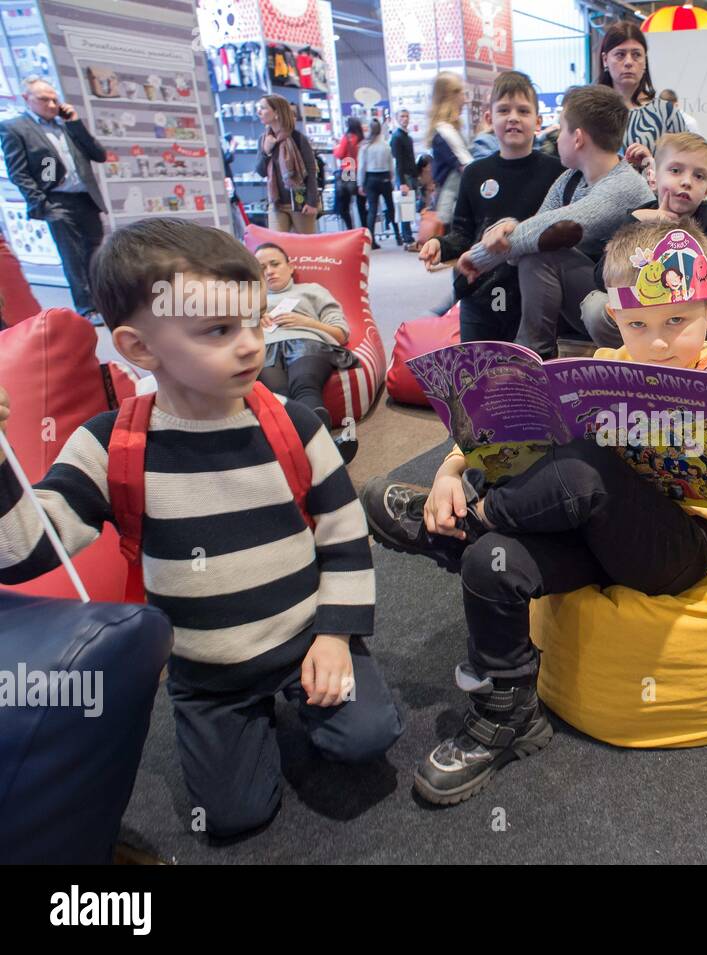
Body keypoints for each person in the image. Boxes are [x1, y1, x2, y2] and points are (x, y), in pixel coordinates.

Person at [359, 218, 707, 804]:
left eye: (678, 320)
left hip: (680, 549)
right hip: (592, 536)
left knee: (581, 468)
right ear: (614, 317)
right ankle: (508, 713)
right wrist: (449, 470)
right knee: (494, 563)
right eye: (639, 324)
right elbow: (508, 437)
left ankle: (459, 528)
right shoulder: (605, 365)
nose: (661, 341)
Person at [0, 219, 403, 839]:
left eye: (253, 320)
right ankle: (241, 725)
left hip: (306, 640)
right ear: (138, 348)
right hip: (207, 675)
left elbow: (345, 539)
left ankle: (312, 688)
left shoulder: (295, 425)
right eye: (217, 330)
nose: (248, 345)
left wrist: (336, 637)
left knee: (368, 735)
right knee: (232, 816)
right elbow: (24, 548)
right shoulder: (111, 445)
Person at [460, 84, 654, 359]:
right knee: (537, 252)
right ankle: (533, 355)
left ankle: (531, 358)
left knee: (542, 255)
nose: (556, 136)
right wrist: (511, 226)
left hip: (635, 311)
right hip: (595, 296)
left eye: (560, 128)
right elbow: (533, 233)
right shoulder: (570, 179)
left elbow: (546, 232)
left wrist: (479, 258)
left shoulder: (623, 186)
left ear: (577, 138)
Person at [419, 70, 563, 342]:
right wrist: (441, 244)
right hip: (478, 294)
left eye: (523, 111)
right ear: (489, 118)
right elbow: (462, 233)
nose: (513, 118)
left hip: (533, 298)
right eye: (504, 110)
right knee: (477, 374)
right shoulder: (474, 173)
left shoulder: (556, 171)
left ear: (538, 120)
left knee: (529, 375)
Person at [584, 131, 707, 347]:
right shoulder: (640, 215)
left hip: (696, 313)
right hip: (644, 312)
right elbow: (602, 278)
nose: (686, 182)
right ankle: (633, 362)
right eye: (675, 170)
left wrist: (673, 229)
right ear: (654, 178)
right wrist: (635, 222)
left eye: (698, 176)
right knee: (595, 306)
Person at [0, 77, 107, 318]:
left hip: (84, 198)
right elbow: (20, 172)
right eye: (44, 99)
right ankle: (87, 308)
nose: (51, 104)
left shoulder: (66, 126)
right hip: (56, 200)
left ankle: (103, 302)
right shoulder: (16, 128)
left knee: (95, 252)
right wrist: (42, 201)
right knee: (73, 255)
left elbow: (98, 155)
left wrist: (75, 123)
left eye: (54, 99)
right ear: (27, 99)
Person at [254, 241, 359, 462]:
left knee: (304, 383)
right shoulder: (249, 301)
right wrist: (253, 321)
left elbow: (341, 333)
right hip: (265, 348)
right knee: (279, 396)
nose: (269, 271)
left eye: (275, 264)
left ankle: (310, 452)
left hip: (307, 342)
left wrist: (307, 322)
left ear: (290, 267)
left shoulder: (312, 290)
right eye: (261, 267)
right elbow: (230, 338)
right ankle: (326, 449)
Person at [597, 20, 686, 169]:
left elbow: (686, 164)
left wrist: (651, 164)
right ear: (605, 59)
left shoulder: (666, 113)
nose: (629, 62)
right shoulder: (590, 113)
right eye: (620, 54)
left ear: (645, 60)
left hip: (654, 192)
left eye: (636, 54)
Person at [255, 94, 318, 234]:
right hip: (276, 203)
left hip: (300, 202)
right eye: (258, 108)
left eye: (263, 108)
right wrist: (266, 152)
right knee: (277, 246)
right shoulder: (263, 140)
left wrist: (312, 201)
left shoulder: (297, 138)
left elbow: (311, 171)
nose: (259, 112)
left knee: (306, 248)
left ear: (277, 112)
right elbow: (260, 171)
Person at [428, 71, 473, 228]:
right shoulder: (446, 132)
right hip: (450, 205)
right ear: (450, 96)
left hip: (450, 201)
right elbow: (468, 167)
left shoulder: (445, 131)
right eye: (461, 92)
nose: (465, 100)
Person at [357, 119, 396, 249]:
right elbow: (391, 165)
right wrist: (392, 178)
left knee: (372, 210)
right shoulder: (386, 145)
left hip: (370, 178)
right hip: (384, 177)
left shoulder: (365, 146)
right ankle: (398, 236)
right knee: (390, 207)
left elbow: (362, 166)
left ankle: (371, 241)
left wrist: (360, 183)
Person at [390, 108, 418, 249]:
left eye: (407, 116)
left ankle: (408, 236)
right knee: (405, 207)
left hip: (410, 174)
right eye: (402, 116)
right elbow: (398, 162)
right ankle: (407, 238)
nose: (405, 119)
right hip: (404, 176)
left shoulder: (407, 136)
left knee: (409, 205)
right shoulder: (397, 137)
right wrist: (401, 182)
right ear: (397, 118)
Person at [332, 116, 366, 230]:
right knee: (361, 204)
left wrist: (335, 148)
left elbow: (340, 154)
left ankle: (350, 228)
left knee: (345, 205)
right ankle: (365, 229)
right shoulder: (362, 139)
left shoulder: (347, 138)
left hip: (348, 170)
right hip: (361, 172)